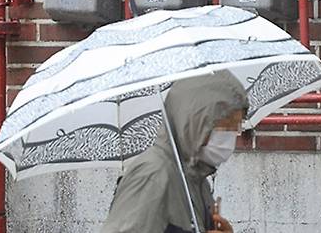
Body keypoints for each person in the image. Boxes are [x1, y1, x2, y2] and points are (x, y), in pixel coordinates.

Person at [101, 71, 249, 233]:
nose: (231, 135)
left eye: (236, 127)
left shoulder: (195, 178)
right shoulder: (153, 174)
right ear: (196, 121)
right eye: (226, 124)